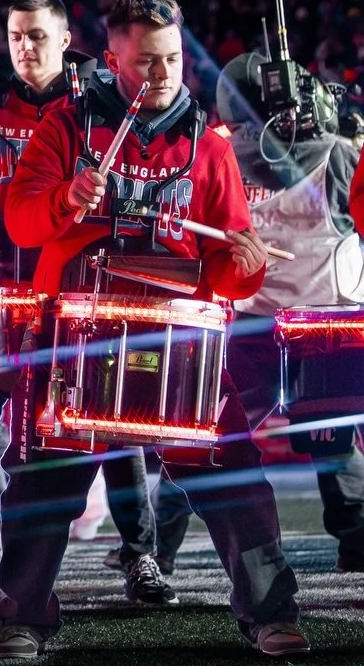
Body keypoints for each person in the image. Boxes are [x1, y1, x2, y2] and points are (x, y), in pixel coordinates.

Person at [0, 0, 308, 659]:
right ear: (112, 60)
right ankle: (22, 617)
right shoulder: (68, 127)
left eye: (170, 60)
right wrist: (65, 198)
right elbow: (20, 221)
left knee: (230, 465)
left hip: (177, 339)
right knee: (45, 473)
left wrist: (243, 263)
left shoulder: (208, 144)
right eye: (145, 64)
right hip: (77, 333)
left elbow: (227, 266)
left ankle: (269, 610)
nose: (161, 76)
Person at [0, 0, 165, 610]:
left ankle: (141, 556)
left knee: (113, 423)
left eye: (37, 35)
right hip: (2, 293)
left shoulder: (97, 107)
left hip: (79, 291)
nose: (25, 47)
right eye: (15, 36)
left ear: (64, 39)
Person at [149, 53, 364, 574]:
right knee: (332, 440)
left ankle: (158, 550)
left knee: (211, 436)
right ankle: (356, 540)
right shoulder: (339, 155)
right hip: (324, 321)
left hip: (250, 318)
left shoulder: (215, 153)